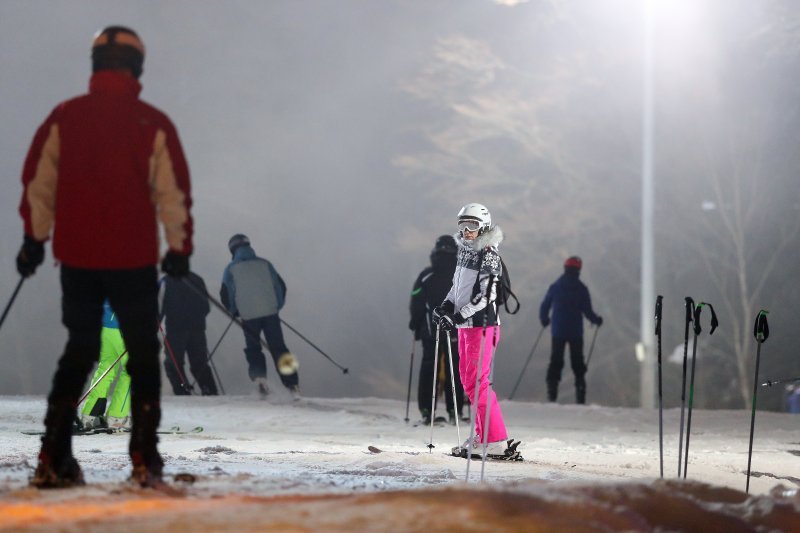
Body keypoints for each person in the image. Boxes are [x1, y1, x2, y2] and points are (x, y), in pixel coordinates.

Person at [17, 26, 194, 488]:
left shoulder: (65, 117)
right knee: (142, 353)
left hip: (77, 256)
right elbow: (172, 193)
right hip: (132, 258)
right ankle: (144, 459)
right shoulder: (151, 123)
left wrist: (34, 239)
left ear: (96, 64)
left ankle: (54, 456)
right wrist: (179, 249)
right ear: (136, 67)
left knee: (80, 348)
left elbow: (39, 183)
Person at [434, 203, 516, 457]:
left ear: (484, 227)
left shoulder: (488, 254)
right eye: (462, 225)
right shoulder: (466, 252)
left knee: (478, 383)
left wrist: (457, 317)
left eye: (472, 225)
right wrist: (446, 307)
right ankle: (483, 436)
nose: (466, 231)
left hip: (481, 326)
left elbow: (486, 295)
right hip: (466, 326)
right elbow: (457, 286)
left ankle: (497, 440)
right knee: (470, 383)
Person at [220, 234, 299, 398]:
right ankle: (293, 385)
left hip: (248, 316)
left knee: (253, 349)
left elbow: (226, 294)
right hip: (271, 313)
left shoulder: (230, 269)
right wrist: (276, 306)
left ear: (232, 249)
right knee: (279, 348)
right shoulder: (265, 264)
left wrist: (234, 311)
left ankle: (261, 382)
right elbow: (280, 287)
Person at [409, 235, 465, 425]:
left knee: (429, 367)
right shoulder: (461, 275)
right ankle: (455, 411)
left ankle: (427, 410)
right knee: (455, 369)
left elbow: (417, 301)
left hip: (430, 329)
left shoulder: (426, 275)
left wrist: (415, 323)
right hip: (456, 328)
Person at [539, 256, 603, 404]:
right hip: (575, 332)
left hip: (558, 330)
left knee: (555, 361)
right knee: (578, 363)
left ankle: (552, 393)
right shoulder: (582, 289)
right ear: (578, 270)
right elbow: (588, 311)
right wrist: (596, 320)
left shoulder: (555, 286)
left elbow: (545, 305)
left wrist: (544, 319)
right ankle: (580, 394)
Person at [160, 272, 218, 396]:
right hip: (197, 329)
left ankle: (183, 391)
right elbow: (206, 306)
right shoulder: (198, 279)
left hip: (176, 330)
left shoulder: (166, 281)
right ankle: (209, 390)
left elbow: (159, 307)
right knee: (199, 363)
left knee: (173, 363)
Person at [80, 301, 132, 430]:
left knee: (106, 367)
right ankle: (117, 417)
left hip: (104, 325)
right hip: (121, 326)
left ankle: (91, 415)